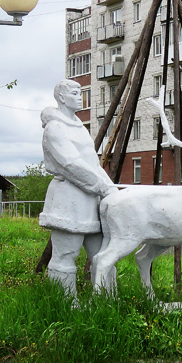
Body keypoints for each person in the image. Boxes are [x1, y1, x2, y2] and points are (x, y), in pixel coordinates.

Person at [38, 79, 117, 299]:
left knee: (103, 255)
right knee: (66, 254)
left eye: (80, 92)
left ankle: (107, 301)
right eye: (75, 92)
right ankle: (64, 304)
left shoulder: (79, 127)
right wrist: (102, 186)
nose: (80, 97)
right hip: (68, 199)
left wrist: (110, 188)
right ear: (61, 98)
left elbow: (91, 163)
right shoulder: (54, 128)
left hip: (90, 201)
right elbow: (71, 164)